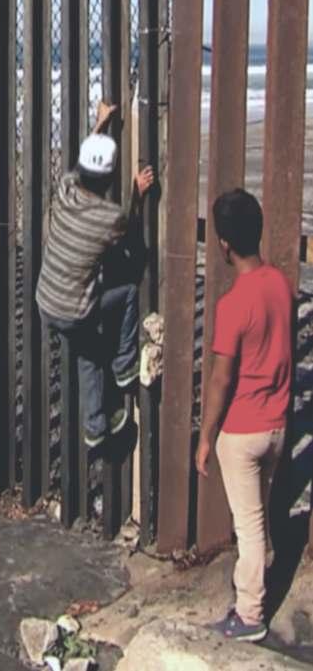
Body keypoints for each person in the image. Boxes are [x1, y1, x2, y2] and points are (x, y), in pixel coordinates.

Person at [197, 188, 292, 643]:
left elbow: (220, 381)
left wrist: (205, 436)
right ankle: (258, 585)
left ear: (223, 245)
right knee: (259, 516)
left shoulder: (232, 305)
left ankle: (250, 615)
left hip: (242, 431)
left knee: (249, 528)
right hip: (277, 426)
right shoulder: (280, 285)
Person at [36, 100, 154, 448]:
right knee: (129, 292)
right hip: (75, 310)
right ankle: (124, 365)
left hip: (46, 302)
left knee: (87, 354)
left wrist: (100, 123)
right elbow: (129, 236)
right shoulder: (109, 217)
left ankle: (96, 425)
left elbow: (80, 165)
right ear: (111, 177)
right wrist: (137, 194)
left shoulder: (65, 189)